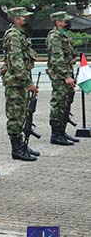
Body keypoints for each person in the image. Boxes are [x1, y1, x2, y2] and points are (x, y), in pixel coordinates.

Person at [1, 7, 39, 161]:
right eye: (24, 17)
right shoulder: (14, 35)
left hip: (20, 80)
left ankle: (21, 145)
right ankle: (16, 149)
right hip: (16, 82)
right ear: (16, 19)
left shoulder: (20, 34)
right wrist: (27, 82)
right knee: (15, 115)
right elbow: (16, 61)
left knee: (22, 113)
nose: (26, 20)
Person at [47, 11, 78, 145]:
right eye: (65, 20)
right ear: (58, 22)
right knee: (59, 103)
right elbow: (57, 58)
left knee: (66, 102)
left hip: (67, 72)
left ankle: (62, 131)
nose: (68, 22)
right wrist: (66, 76)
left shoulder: (63, 35)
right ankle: (56, 134)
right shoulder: (54, 37)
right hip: (60, 76)